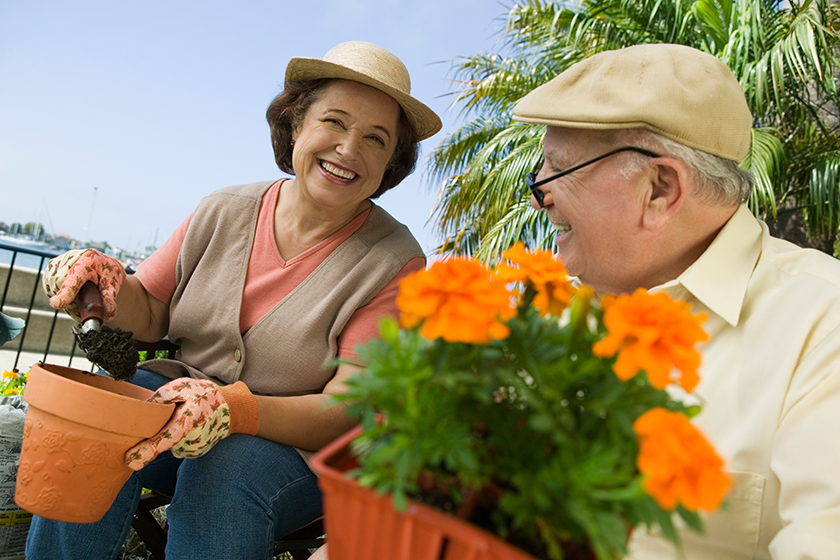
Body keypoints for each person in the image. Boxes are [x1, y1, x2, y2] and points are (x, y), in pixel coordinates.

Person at [28, 40, 442, 560]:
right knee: (95, 423)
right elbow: (151, 311)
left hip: (295, 456)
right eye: (334, 122)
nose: (348, 149)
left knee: (223, 473)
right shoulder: (224, 209)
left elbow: (347, 410)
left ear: (391, 163)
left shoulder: (395, 260)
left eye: (375, 139)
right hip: (172, 418)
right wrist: (106, 283)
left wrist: (231, 410)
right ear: (295, 125)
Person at [509, 44, 840, 558]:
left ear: (660, 188)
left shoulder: (823, 323)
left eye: (557, 170)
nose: (538, 194)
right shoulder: (553, 320)